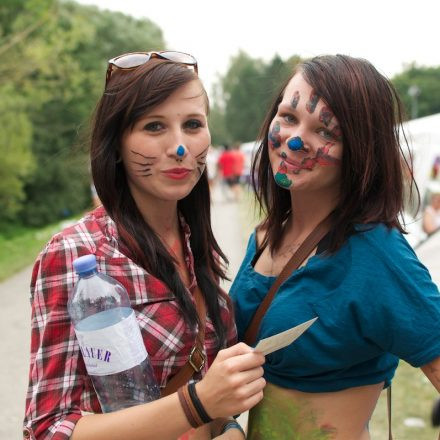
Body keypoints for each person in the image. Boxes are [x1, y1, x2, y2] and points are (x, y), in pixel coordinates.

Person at [23, 51, 266, 440]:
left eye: (192, 125)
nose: (180, 147)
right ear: (116, 143)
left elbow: (207, 383)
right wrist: (198, 404)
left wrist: (228, 425)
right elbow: (49, 429)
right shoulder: (77, 255)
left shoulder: (194, 242)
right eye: (154, 126)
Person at [230, 54, 440, 439]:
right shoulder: (264, 236)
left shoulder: (377, 253)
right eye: (290, 117)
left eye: (327, 132)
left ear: (361, 151)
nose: (295, 140)